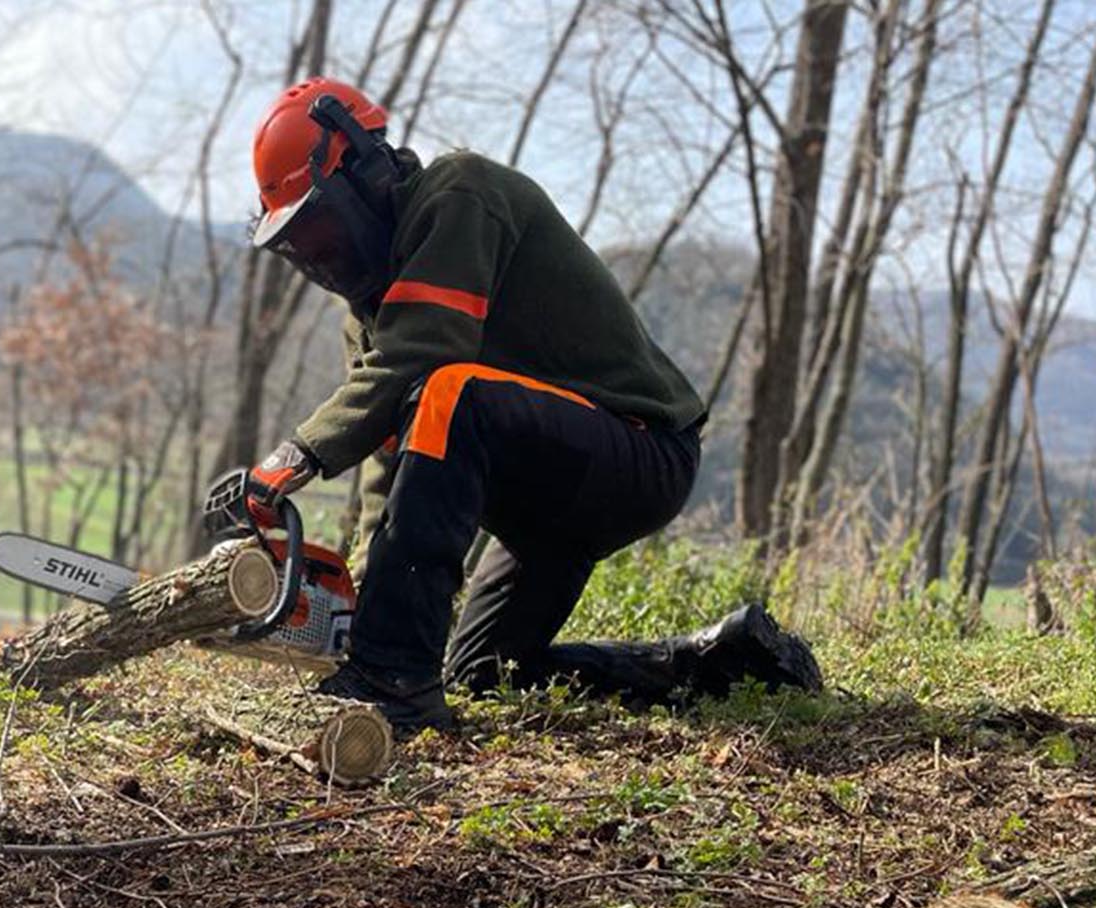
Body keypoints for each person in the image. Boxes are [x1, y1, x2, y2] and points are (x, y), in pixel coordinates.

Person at [240, 77, 821, 734]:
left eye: (323, 231)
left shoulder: (458, 195)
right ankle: (716, 662)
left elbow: (430, 350)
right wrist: (364, 609)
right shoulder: (373, 323)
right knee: (484, 669)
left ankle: (391, 682)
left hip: (638, 449)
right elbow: (390, 475)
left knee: (450, 390)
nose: (322, 260)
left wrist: (298, 453)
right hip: (547, 497)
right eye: (303, 248)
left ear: (368, 171)